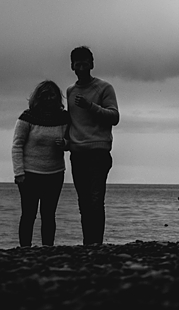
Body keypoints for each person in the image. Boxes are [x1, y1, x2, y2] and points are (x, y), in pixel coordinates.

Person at [67, 45, 120, 245]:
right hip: (77, 153)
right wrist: (66, 141)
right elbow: (71, 121)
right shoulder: (70, 91)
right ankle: (87, 243)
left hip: (98, 152)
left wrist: (90, 106)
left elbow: (114, 117)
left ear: (92, 64)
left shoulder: (104, 88)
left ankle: (96, 243)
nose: (81, 67)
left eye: (85, 63)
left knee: (96, 200)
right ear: (72, 66)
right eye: (77, 63)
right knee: (84, 202)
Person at [11, 80, 70, 247]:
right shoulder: (27, 117)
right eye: (45, 95)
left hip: (55, 173)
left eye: (52, 95)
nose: (49, 99)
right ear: (38, 98)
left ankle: (47, 248)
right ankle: (24, 248)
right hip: (29, 174)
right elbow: (17, 145)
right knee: (28, 214)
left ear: (58, 97)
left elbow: (72, 141)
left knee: (49, 214)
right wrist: (19, 172)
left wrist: (65, 144)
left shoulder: (64, 117)